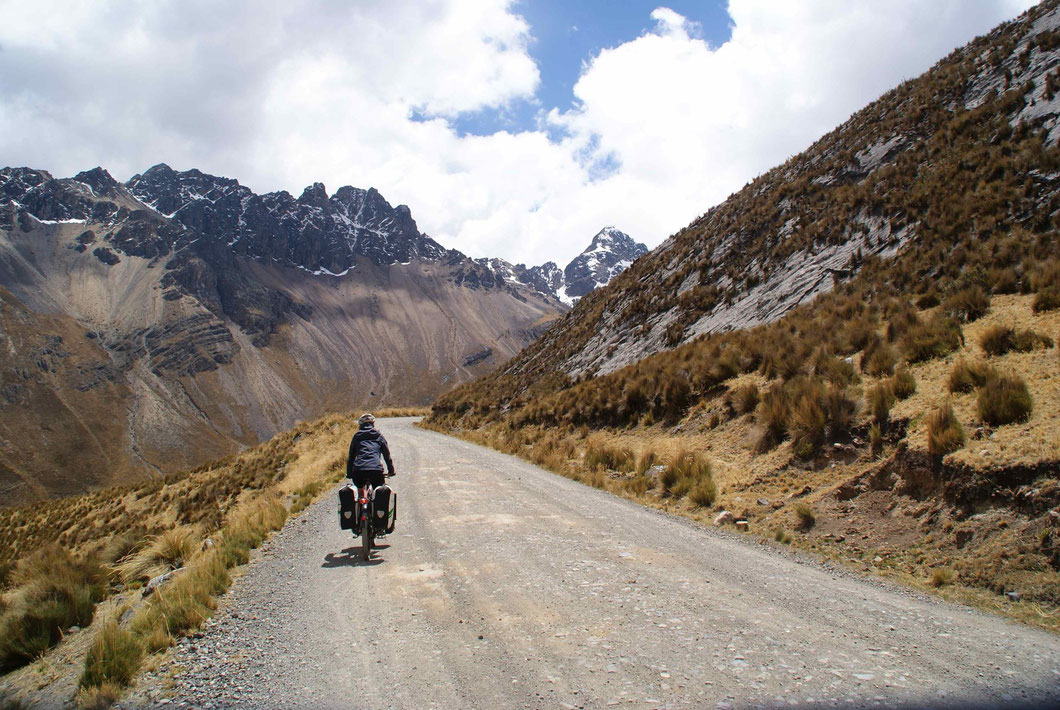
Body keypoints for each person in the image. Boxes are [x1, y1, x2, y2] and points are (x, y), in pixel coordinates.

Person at [346, 412, 395, 489]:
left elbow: (351, 456)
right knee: (379, 491)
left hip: (358, 470)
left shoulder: (356, 436)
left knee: (359, 488)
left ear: (360, 425)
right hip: (376, 470)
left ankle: (360, 498)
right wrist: (391, 470)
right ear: (373, 424)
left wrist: (349, 473)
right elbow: (387, 456)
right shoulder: (379, 436)